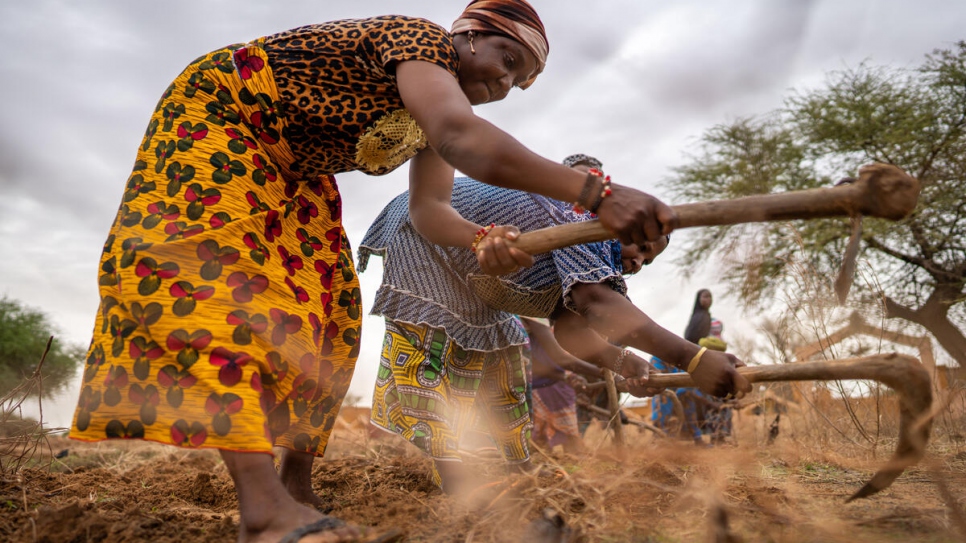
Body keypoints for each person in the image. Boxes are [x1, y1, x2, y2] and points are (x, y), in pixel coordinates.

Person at [68, 3, 678, 541]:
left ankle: (296, 487)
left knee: (326, 309)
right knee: (213, 289)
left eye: (521, 79)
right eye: (506, 57)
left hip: (295, 171)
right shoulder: (418, 42)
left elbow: (432, 211)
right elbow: (466, 139)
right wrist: (596, 193)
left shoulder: (434, 117)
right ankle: (263, 511)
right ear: (467, 33)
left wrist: (484, 240)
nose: (506, 80)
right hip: (224, 116)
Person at [359, 154, 751, 491]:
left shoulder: (593, 254)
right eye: (642, 247)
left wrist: (621, 361)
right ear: (626, 229)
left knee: (508, 352)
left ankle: (518, 466)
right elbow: (598, 306)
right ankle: (455, 475)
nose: (637, 262)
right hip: (428, 237)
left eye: (647, 263)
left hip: (480, 277)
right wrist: (694, 359)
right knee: (432, 351)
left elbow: (569, 326)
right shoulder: (584, 220)